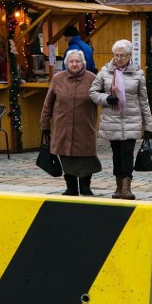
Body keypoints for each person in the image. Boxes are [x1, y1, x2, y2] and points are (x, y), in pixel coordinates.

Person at [89, 39, 152, 200]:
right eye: (116, 55)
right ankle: (118, 185)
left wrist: (149, 126)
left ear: (129, 56)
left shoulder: (137, 73)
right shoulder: (105, 72)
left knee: (127, 153)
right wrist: (106, 98)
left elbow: (143, 100)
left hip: (132, 120)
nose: (118, 58)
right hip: (112, 120)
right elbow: (92, 92)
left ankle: (126, 186)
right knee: (116, 154)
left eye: (122, 55)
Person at [40, 49, 101, 196]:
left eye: (78, 61)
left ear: (83, 63)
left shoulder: (92, 79)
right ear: (66, 63)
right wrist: (44, 124)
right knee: (66, 156)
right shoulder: (57, 79)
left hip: (85, 126)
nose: (74, 64)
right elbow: (48, 103)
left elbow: (102, 98)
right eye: (71, 61)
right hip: (63, 126)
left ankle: (85, 186)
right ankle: (71, 186)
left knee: (86, 157)